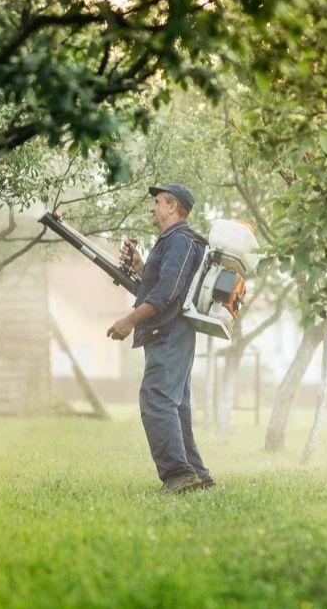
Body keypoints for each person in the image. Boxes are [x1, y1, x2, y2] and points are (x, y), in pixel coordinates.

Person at [106, 183, 214, 493]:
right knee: (176, 405)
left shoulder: (180, 240)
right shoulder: (170, 242)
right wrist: (141, 264)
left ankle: (178, 474)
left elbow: (166, 293)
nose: (153, 208)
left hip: (169, 332)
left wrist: (129, 320)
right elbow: (163, 283)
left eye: (157, 202)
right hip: (170, 332)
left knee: (156, 399)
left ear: (173, 207)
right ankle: (197, 474)